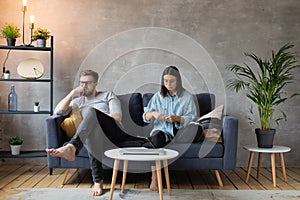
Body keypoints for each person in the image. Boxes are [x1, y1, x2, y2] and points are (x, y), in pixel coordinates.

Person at [46, 66, 197, 194]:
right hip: (94, 135)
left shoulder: (107, 96)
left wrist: (97, 119)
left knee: (91, 113)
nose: (84, 86)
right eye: (82, 83)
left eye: (88, 83)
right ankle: (97, 181)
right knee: (93, 130)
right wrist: (73, 93)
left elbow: (117, 117)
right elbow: (57, 112)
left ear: (96, 83)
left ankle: (73, 146)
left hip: (116, 132)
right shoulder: (77, 101)